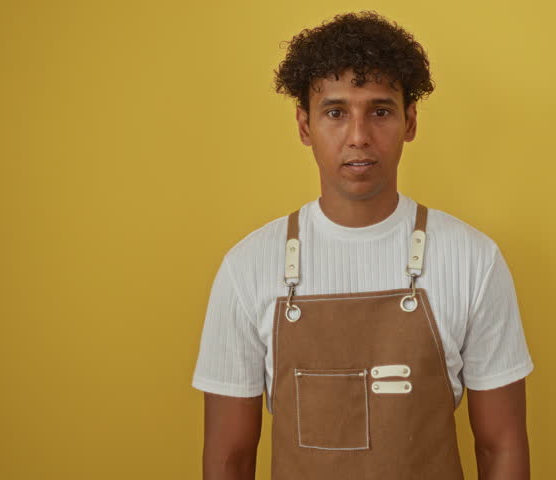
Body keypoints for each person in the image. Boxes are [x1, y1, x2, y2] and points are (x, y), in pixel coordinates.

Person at [192, 10, 534, 480]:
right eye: (335, 112)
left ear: (410, 120)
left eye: (380, 111)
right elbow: (229, 458)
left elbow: (502, 446)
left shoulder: (473, 260)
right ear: (304, 126)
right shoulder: (248, 267)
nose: (358, 136)